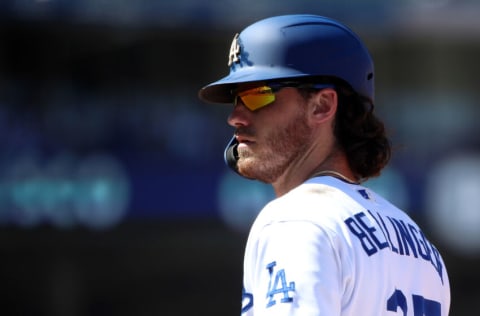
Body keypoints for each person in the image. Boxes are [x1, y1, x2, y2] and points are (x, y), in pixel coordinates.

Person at [198, 14, 450, 316]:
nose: (235, 117)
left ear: (322, 105)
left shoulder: (295, 220)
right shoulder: (419, 243)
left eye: (256, 96)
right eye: (236, 99)